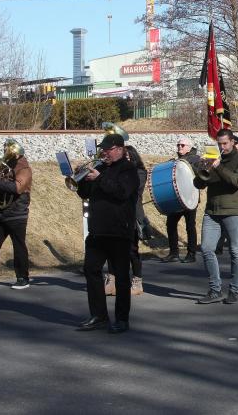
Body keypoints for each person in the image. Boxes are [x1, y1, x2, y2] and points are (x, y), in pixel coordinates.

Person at [76, 133, 139, 333]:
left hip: (119, 231)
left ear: (120, 149)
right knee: (91, 270)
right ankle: (99, 315)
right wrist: (82, 178)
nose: (105, 153)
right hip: (98, 230)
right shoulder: (100, 168)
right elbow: (85, 193)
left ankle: (121, 319)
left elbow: (122, 193)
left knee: (121, 276)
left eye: (108, 149)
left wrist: (100, 178)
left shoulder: (129, 170)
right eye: (103, 149)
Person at [193, 129, 238, 304]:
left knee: (235, 251)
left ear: (233, 142)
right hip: (212, 212)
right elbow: (199, 184)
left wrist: (219, 167)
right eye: (219, 144)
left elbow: (237, 181)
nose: (222, 147)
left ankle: (234, 289)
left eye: (225, 143)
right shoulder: (213, 159)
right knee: (206, 249)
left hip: (233, 211)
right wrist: (202, 169)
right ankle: (215, 289)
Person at [0, 138, 33, 290]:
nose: (5, 151)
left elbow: (17, 188)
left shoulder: (24, 168)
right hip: (0, 212)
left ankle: (23, 278)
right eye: (5, 148)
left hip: (17, 213)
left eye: (8, 149)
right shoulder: (4, 166)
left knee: (19, 246)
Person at [105, 145, 148, 297]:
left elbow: (131, 191)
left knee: (131, 250)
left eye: (128, 157)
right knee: (111, 249)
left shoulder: (140, 172)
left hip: (132, 216)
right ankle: (111, 281)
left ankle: (137, 282)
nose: (126, 161)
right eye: (124, 158)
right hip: (114, 214)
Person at [162, 137, 201, 263]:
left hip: (190, 198)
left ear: (189, 147)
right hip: (176, 197)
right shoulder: (177, 160)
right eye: (178, 145)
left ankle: (191, 253)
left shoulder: (195, 159)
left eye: (182, 145)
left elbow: (199, 173)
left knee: (190, 226)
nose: (179, 147)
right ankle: (174, 253)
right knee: (171, 224)